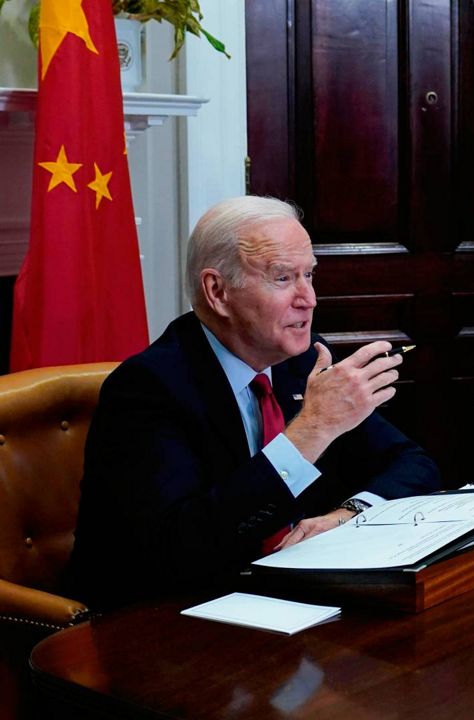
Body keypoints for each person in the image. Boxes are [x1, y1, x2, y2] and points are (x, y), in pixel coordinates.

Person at [68, 196, 441, 607]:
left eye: (309, 275)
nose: (309, 298)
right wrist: (311, 431)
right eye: (283, 279)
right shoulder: (147, 388)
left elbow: (414, 465)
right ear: (218, 291)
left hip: (292, 604)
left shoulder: (301, 360)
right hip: (169, 620)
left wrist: (347, 514)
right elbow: (177, 551)